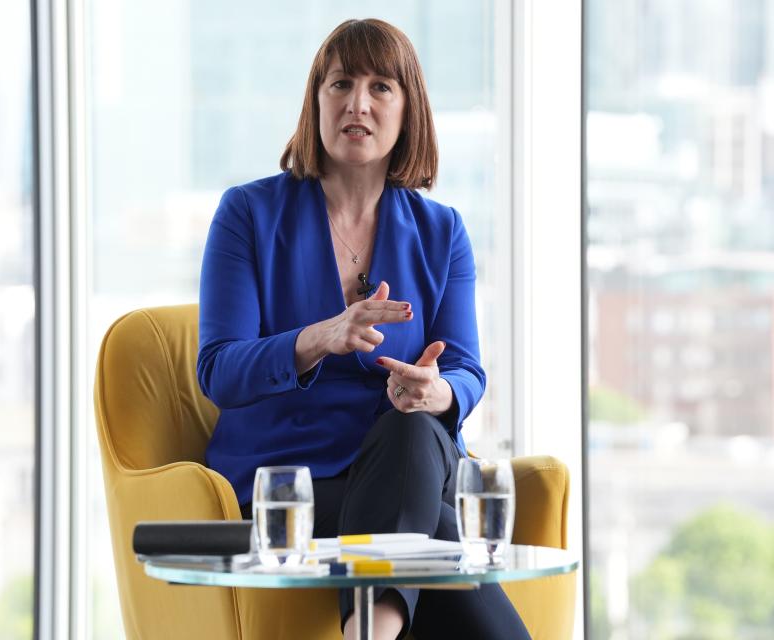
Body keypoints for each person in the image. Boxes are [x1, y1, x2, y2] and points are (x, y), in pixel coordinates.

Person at [197, 18, 531, 640]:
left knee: (412, 426)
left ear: (408, 112)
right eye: (341, 83)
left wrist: (436, 391)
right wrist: (317, 338)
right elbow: (218, 371)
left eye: (381, 87)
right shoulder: (247, 213)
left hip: (405, 470)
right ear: (315, 101)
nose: (358, 103)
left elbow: (465, 370)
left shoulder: (443, 231)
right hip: (295, 495)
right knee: (458, 562)